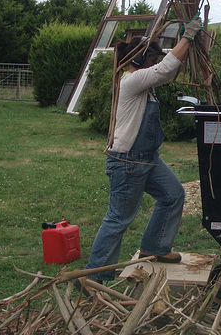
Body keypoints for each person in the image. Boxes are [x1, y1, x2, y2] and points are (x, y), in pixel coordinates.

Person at [83, 17, 203, 283]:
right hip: (127, 161)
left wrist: (185, 44)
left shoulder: (143, 84)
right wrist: (187, 38)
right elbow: (164, 70)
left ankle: (155, 247)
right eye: (150, 60)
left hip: (147, 159)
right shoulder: (130, 81)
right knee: (118, 220)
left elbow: (167, 70)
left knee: (173, 195)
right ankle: (95, 276)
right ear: (138, 61)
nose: (154, 65)